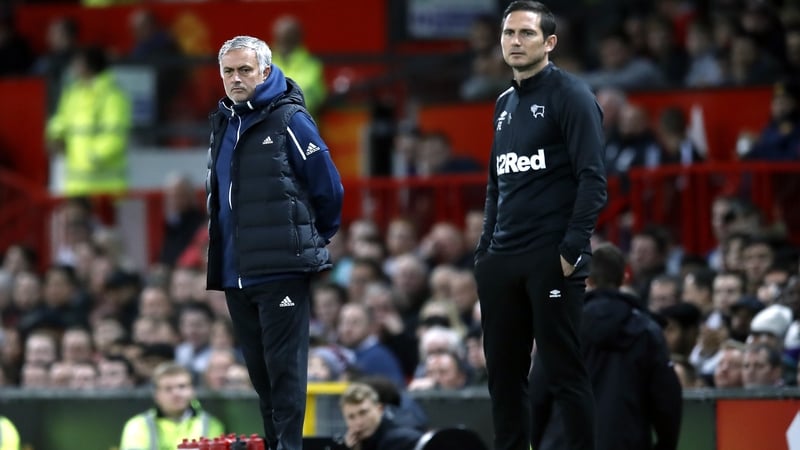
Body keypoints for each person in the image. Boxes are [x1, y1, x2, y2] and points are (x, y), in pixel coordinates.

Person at [472, 2, 607, 450]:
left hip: (551, 258)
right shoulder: (504, 103)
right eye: (508, 33)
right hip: (502, 261)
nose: (514, 41)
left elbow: (593, 180)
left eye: (526, 33)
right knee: (504, 380)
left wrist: (571, 249)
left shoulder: (572, 95)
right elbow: (496, 183)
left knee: (564, 374)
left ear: (549, 43)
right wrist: (484, 253)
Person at [206, 35, 344, 450]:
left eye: (245, 70)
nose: (236, 78)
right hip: (236, 271)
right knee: (261, 375)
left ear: (265, 71)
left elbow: (329, 186)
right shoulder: (223, 122)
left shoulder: (289, 118)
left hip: (282, 267)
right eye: (228, 71)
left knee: (285, 372)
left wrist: (311, 238)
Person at [530, 243, 682, 450]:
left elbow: (538, 396)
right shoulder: (647, 331)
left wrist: (539, 442)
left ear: (588, 279)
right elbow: (667, 400)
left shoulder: (561, 329)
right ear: (623, 278)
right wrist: (666, 444)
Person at [45, 45, 132, 196]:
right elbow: (61, 119)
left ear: (89, 67)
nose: (72, 68)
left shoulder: (112, 95)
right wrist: (54, 136)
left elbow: (115, 135)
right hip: (76, 186)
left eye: (76, 64)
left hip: (106, 188)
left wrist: (92, 157)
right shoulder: (73, 93)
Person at [119, 362, 224, 450]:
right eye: (168, 388)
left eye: (182, 386)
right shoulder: (137, 425)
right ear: (157, 395)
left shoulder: (210, 424)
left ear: (192, 390)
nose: (176, 393)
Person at [338, 382, 424, 450]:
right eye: (351, 417)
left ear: (380, 409)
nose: (359, 422)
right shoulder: (351, 444)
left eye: (363, 413)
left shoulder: (401, 440)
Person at [270, 15, 327, 117]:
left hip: (303, 128)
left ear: (297, 38)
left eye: (287, 39)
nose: (283, 44)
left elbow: (314, 100)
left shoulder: (312, 66)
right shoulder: (265, 65)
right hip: (271, 130)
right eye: (281, 38)